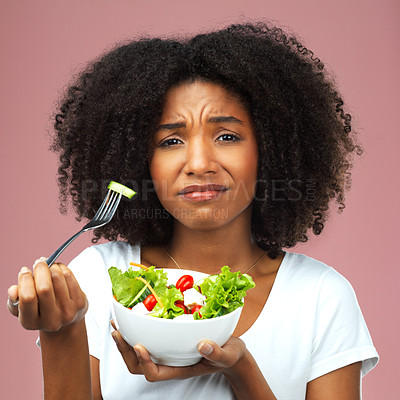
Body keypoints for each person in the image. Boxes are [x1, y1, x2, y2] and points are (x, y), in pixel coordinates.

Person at [7, 21, 378, 399]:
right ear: (140, 161)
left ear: (271, 148)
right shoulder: (98, 278)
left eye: (227, 136)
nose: (199, 163)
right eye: (170, 141)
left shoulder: (321, 297)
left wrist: (240, 369)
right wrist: (61, 330)